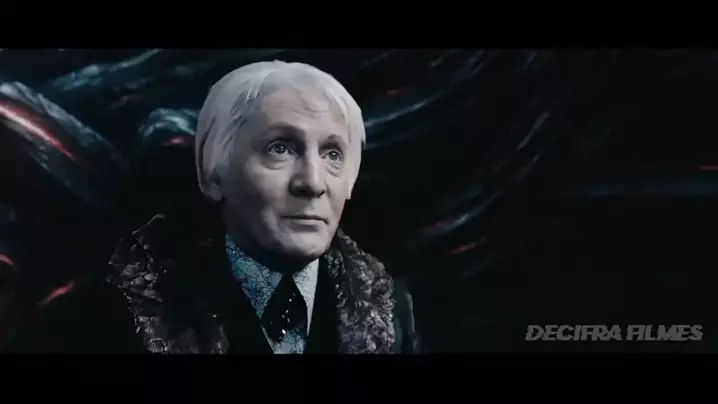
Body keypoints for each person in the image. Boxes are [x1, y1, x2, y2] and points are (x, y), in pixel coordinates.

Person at [3, 61, 421, 354]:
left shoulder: (388, 309)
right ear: (213, 174)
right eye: (280, 148)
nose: (312, 182)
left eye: (333, 154)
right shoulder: (113, 313)